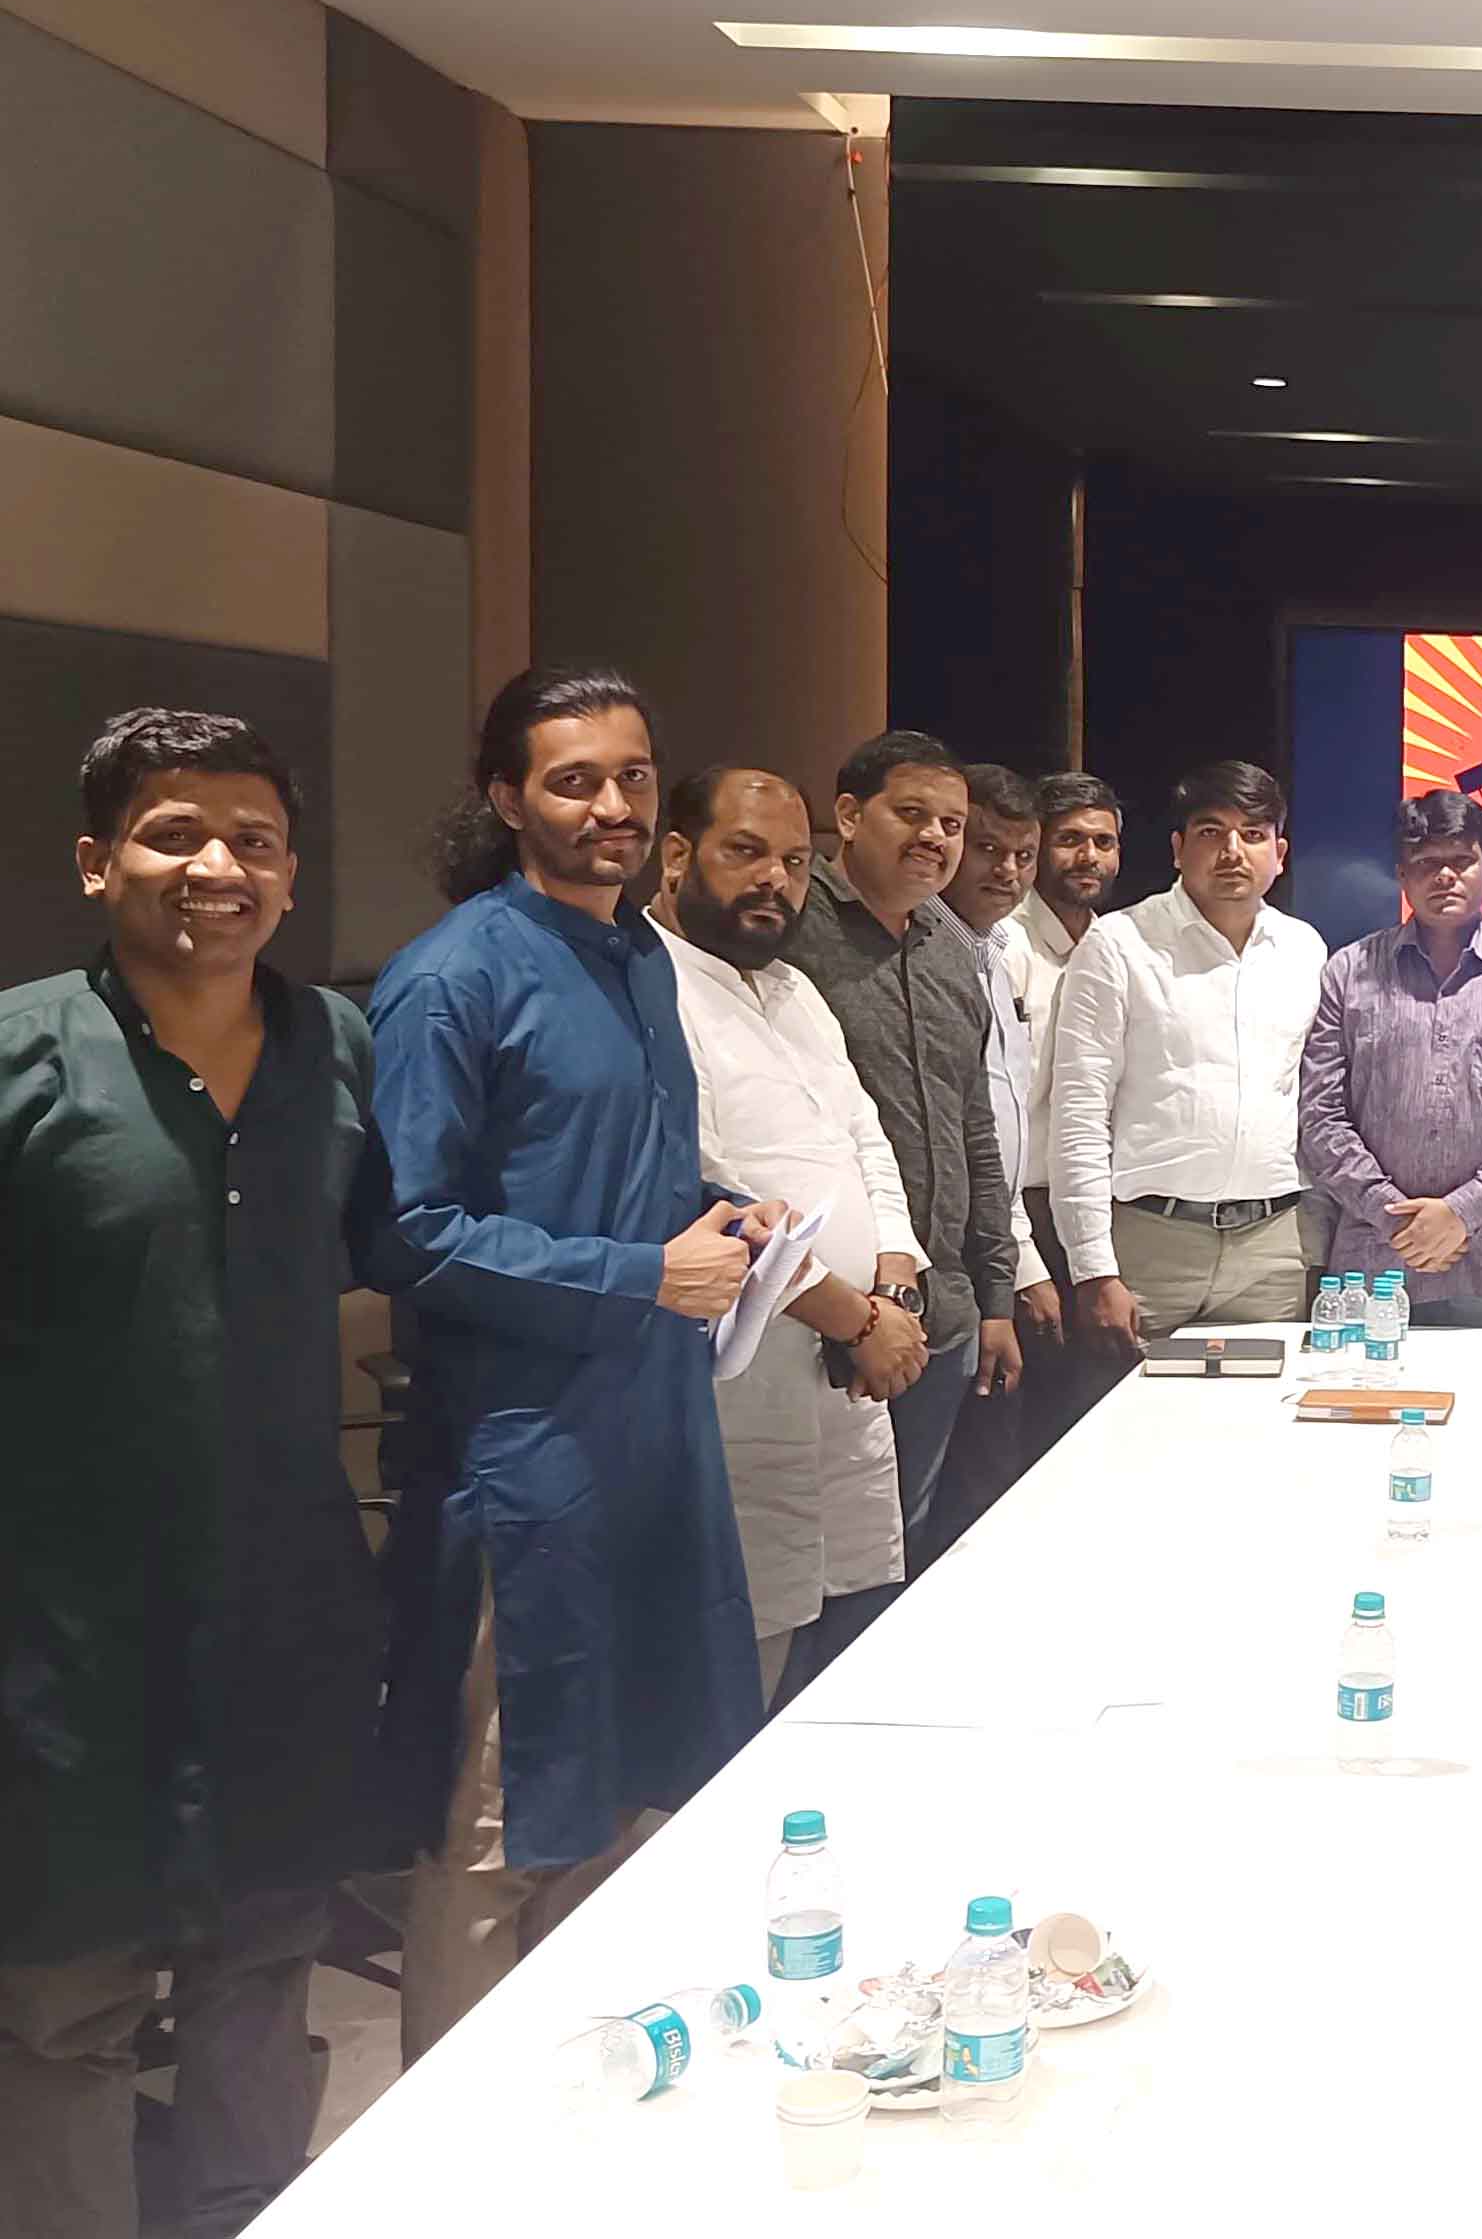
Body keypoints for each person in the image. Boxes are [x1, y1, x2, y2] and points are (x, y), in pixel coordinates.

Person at [0, 714, 409, 2238]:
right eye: (174, 833)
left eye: (253, 838)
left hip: (284, 1605)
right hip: (63, 1627)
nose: (217, 865)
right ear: (96, 860)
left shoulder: (338, 1047)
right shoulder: (22, 1053)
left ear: (291, 875)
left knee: (265, 1958)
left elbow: (404, 1242)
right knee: (65, 2003)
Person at [372, 668, 775, 2061]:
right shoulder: (454, 976)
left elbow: (619, 1170)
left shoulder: (639, 953)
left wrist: (721, 1210)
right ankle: (443, 2146)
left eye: (633, 774)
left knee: (624, 1797)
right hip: (527, 1453)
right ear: (506, 796)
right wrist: (644, 1273)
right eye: (574, 778)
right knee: (501, 1823)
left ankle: (585, 2104)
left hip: (655, 1431)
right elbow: (411, 1233)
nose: (613, 802)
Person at [650, 766, 925, 1702]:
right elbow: (705, 1188)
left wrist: (893, 1281)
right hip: (745, 1375)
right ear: (677, 854)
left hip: (849, 1367)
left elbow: (864, 1136)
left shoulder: (796, 989)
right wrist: (858, 1319)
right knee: (740, 1643)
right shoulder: (649, 988)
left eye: (796, 862)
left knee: (839, 1625)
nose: (775, 878)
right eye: (746, 851)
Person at [781, 730, 1021, 1585]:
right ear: (849, 814)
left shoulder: (953, 951)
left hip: (940, 1311)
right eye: (912, 814)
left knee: (902, 1558)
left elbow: (975, 1132)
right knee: (806, 1569)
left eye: (951, 824)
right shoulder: (790, 932)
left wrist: (995, 1296)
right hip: (817, 1313)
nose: (935, 837)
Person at [1050, 760, 1328, 1347]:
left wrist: (1316, 1244)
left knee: (1267, 1407)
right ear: (1178, 849)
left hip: (1272, 1249)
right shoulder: (1119, 943)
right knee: (1128, 1407)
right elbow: (1078, 1114)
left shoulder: (1303, 949)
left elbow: (1314, 1104)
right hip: (1150, 1245)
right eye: (1211, 832)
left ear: (1279, 853)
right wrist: (1093, 1267)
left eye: (1253, 834)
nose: (1233, 851)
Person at [1299, 790, 1482, 1325]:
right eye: (1427, 863)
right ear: (1402, 877)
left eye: (1461, 861)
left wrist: (1461, 1213)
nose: (1445, 876)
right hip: (1373, 1267)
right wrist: (1395, 1218)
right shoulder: (1349, 973)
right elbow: (1320, 1120)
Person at [929, 764, 1065, 1526]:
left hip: (993, 1250)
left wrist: (1020, 1263)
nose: (1008, 871)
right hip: (939, 1262)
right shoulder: (920, 950)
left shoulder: (999, 947)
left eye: (1023, 854)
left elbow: (1000, 1129)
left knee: (992, 1478)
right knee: (951, 1496)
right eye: (987, 849)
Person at [1011, 774, 1123, 1438]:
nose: (1089, 857)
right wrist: (1023, 1258)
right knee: (1031, 1421)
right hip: (1025, 1212)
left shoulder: (1120, 947)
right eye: (1071, 840)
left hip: (1099, 1205)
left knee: (1099, 1417)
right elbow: (991, 1113)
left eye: (1103, 842)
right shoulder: (1007, 947)